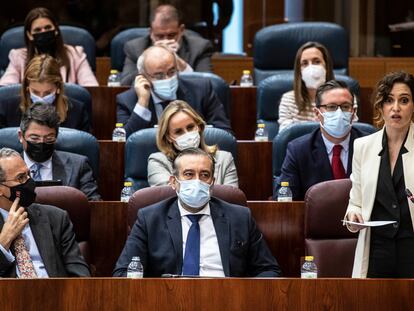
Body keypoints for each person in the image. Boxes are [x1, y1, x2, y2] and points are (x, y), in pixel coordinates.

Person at [113, 148, 281, 277]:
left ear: (212, 182)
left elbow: (269, 270)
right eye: (188, 174)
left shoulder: (240, 217)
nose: (197, 181)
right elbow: (123, 273)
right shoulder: (149, 219)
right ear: (174, 182)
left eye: (204, 175)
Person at [345, 71, 414, 278]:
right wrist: (352, 215)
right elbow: (355, 201)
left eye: (404, 100)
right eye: (389, 100)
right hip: (376, 249)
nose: (396, 108)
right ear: (380, 106)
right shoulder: (362, 146)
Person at [0, 147, 90, 277]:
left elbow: (81, 276)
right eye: (20, 178)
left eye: (28, 175)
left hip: (55, 294)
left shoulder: (57, 218)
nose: (29, 182)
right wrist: (4, 240)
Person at [275, 80, 369, 200]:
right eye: (331, 107)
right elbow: (285, 199)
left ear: (353, 112)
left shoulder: (370, 146)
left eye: (345, 107)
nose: (339, 113)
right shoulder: (298, 150)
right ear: (317, 113)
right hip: (314, 218)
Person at [117, 45, 231, 137]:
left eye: (172, 72)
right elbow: (123, 142)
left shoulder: (202, 90)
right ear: (143, 77)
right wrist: (142, 103)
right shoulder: (127, 100)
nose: (167, 79)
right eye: (159, 75)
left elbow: (225, 134)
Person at [18, 103, 101, 201]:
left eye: (49, 138)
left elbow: (93, 205)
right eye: (34, 138)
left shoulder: (78, 165)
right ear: (20, 136)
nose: (41, 142)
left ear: (56, 137)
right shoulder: (4, 167)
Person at [0, 7, 98, 87]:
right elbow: (5, 89)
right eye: (38, 30)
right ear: (29, 35)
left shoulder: (75, 54)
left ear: (56, 30)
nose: (43, 32)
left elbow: (91, 88)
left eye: (47, 28)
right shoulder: (18, 57)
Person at [148, 100, 238, 187]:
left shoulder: (224, 159)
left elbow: (230, 197)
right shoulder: (158, 161)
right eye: (179, 132)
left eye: (190, 127)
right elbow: (167, 196)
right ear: (168, 137)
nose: (187, 134)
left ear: (199, 127)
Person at [120, 4, 213, 86]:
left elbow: (209, 84)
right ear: (151, 32)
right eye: (159, 36)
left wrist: (180, 63)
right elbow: (125, 84)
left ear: (181, 30)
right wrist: (148, 59)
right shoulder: (135, 48)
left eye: (171, 35)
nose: (166, 40)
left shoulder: (200, 47)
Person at [0, 54, 91, 132]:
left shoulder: (78, 112)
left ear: (58, 88)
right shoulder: (6, 109)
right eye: (35, 92)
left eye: (48, 92)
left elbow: (83, 149)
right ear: (27, 88)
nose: (41, 97)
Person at [278, 42, 335, 131]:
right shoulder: (288, 99)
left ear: (326, 66)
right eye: (304, 63)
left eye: (316, 61)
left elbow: (349, 133)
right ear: (299, 71)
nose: (311, 68)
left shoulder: (345, 98)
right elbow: (286, 136)